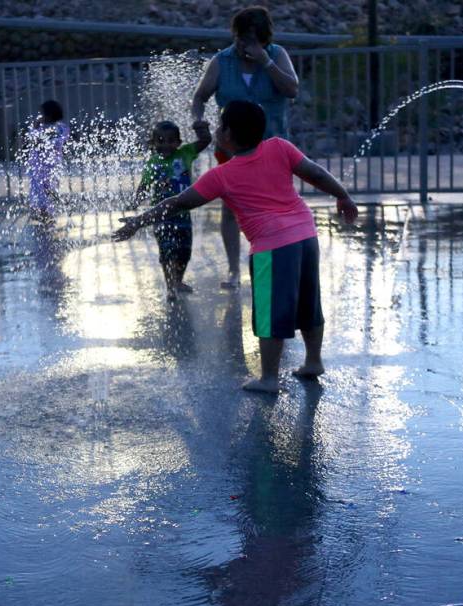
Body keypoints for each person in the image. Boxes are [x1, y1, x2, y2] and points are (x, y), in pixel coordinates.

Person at [114, 101, 358, 394]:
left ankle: (268, 378)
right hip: (305, 234)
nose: (216, 130)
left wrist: (138, 222)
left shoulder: (222, 176)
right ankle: (313, 361)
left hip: (272, 246)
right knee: (309, 301)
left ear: (228, 133)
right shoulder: (279, 146)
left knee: (269, 313)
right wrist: (342, 196)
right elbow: (315, 173)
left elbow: (177, 203)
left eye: (219, 125)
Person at [191, 5, 299, 289]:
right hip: (231, 149)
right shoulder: (222, 61)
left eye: (251, 39)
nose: (244, 44)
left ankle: (273, 266)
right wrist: (197, 120)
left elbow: (292, 89)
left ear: (264, 40)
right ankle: (233, 271)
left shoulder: (277, 55)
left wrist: (266, 62)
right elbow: (200, 97)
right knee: (230, 208)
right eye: (240, 37)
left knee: (274, 208)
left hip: (272, 148)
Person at [129, 120, 211, 299]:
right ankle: (170, 287)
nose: (165, 144)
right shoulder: (153, 163)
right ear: (153, 143)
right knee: (167, 250)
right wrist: (135, 201)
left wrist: (201, 127)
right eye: (160, 140)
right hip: (161, 215)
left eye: (171, 140)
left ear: (179, 143)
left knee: (184, 251)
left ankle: (178, 280)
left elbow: (205, 141)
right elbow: (144, 186)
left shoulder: (185, 154)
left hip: (182, 214)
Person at [25, 100, 70, 222]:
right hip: (38, 164)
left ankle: (46, 212)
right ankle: (41, 211)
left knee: (47, 188)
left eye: (43, 113)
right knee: (38, 188)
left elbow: (56, 142)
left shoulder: (60, 128)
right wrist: (35, 129)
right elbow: (33, 140)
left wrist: (38, 135)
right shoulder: (42, 127)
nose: (41, 116)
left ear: (50, 115)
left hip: (49, 164)